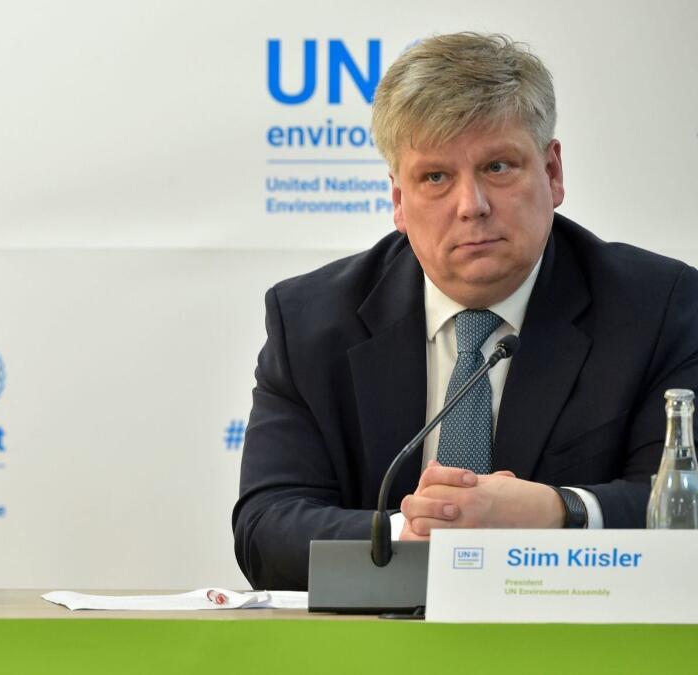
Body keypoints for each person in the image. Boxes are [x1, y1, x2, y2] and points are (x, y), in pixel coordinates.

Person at [233, 33, 698, 590]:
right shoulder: (310, 321)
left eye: (498, 167)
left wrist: (557, 512)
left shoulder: (658, 307)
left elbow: (683, 509)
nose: (470, 206)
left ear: (552, 173)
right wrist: (415, 531)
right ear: (399, 201)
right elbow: (266, 530)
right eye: (435, 177)